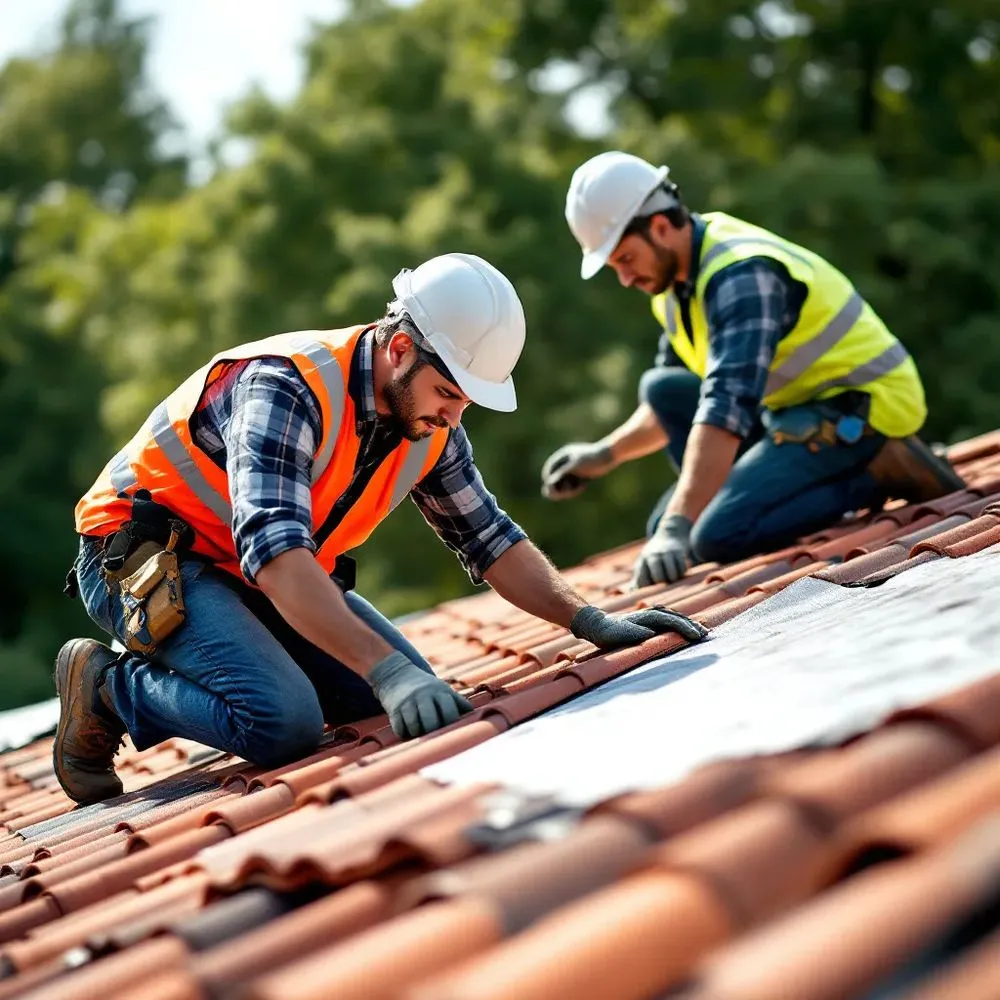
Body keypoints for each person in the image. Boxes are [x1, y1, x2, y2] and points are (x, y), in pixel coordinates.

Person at [55, 253, 708, 805]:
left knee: (389, 692)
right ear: (401, 349)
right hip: (146, 559)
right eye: (448, 395)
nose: (453, 418)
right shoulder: (286, 387)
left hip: (246, 571)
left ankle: (241, 666)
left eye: (464, 403)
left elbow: (490, 539)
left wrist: (589, 622)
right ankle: (109, 689)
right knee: (283, 721)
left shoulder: (428, 421)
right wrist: (387, 670)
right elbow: (278, 558)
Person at [542, 151, 964, 588]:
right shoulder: (673, 289)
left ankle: (879, 469)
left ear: (661, 227)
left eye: (625, 259)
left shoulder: (741, 277)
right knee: (661, 389)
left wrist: (679, 524)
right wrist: (604, 455)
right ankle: (751, 486)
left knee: (714, 535)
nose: (625, 278)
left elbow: (725, 408)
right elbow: (684, 397)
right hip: (788, 415)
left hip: (860, 409)